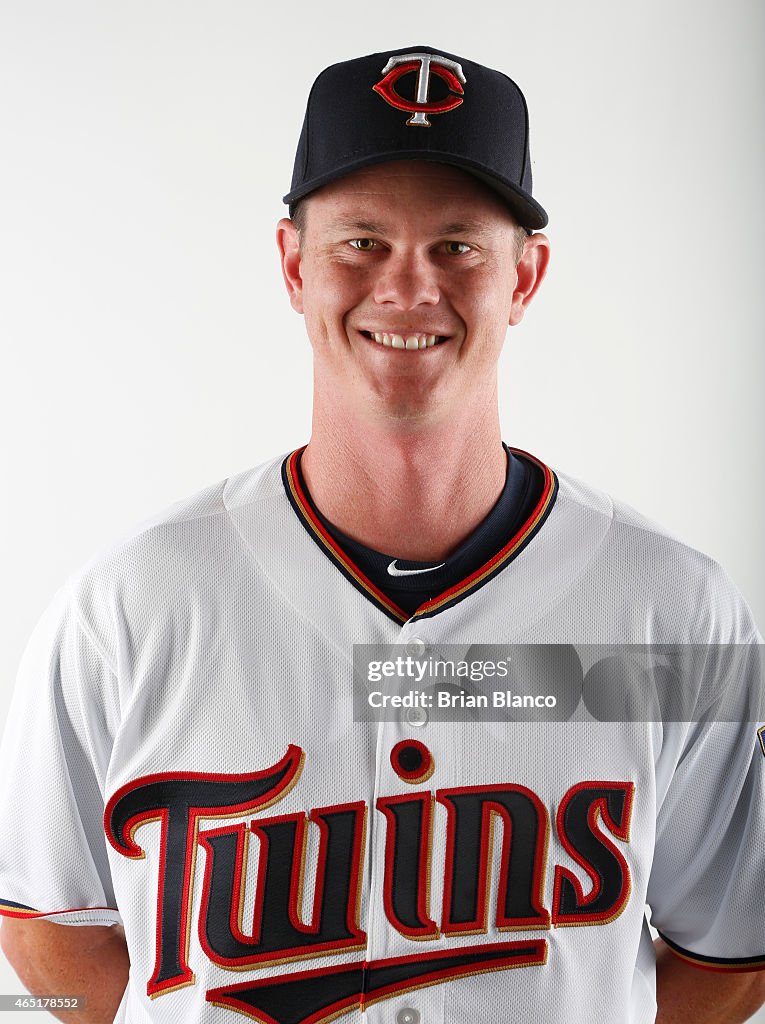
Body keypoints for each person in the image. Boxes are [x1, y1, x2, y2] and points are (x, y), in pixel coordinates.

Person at [0, 44, 763, 1024]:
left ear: (525, 277)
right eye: (361, 242)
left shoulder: (676, 613)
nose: (407, 285)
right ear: (293, 266)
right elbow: (47, 926)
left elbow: (732, 952)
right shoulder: (129, 606)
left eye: (457, 246)